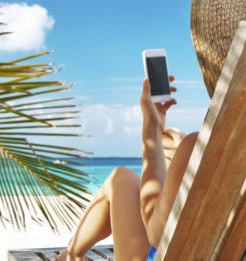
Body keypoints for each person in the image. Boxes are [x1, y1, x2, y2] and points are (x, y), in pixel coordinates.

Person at [57, 76, 198, 260]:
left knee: (120, 178)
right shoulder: (243, 154)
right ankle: (72, 254)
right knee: (122, 177)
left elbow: (156, 235)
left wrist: (152, 128)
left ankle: (72, 255)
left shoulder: (194, 145)